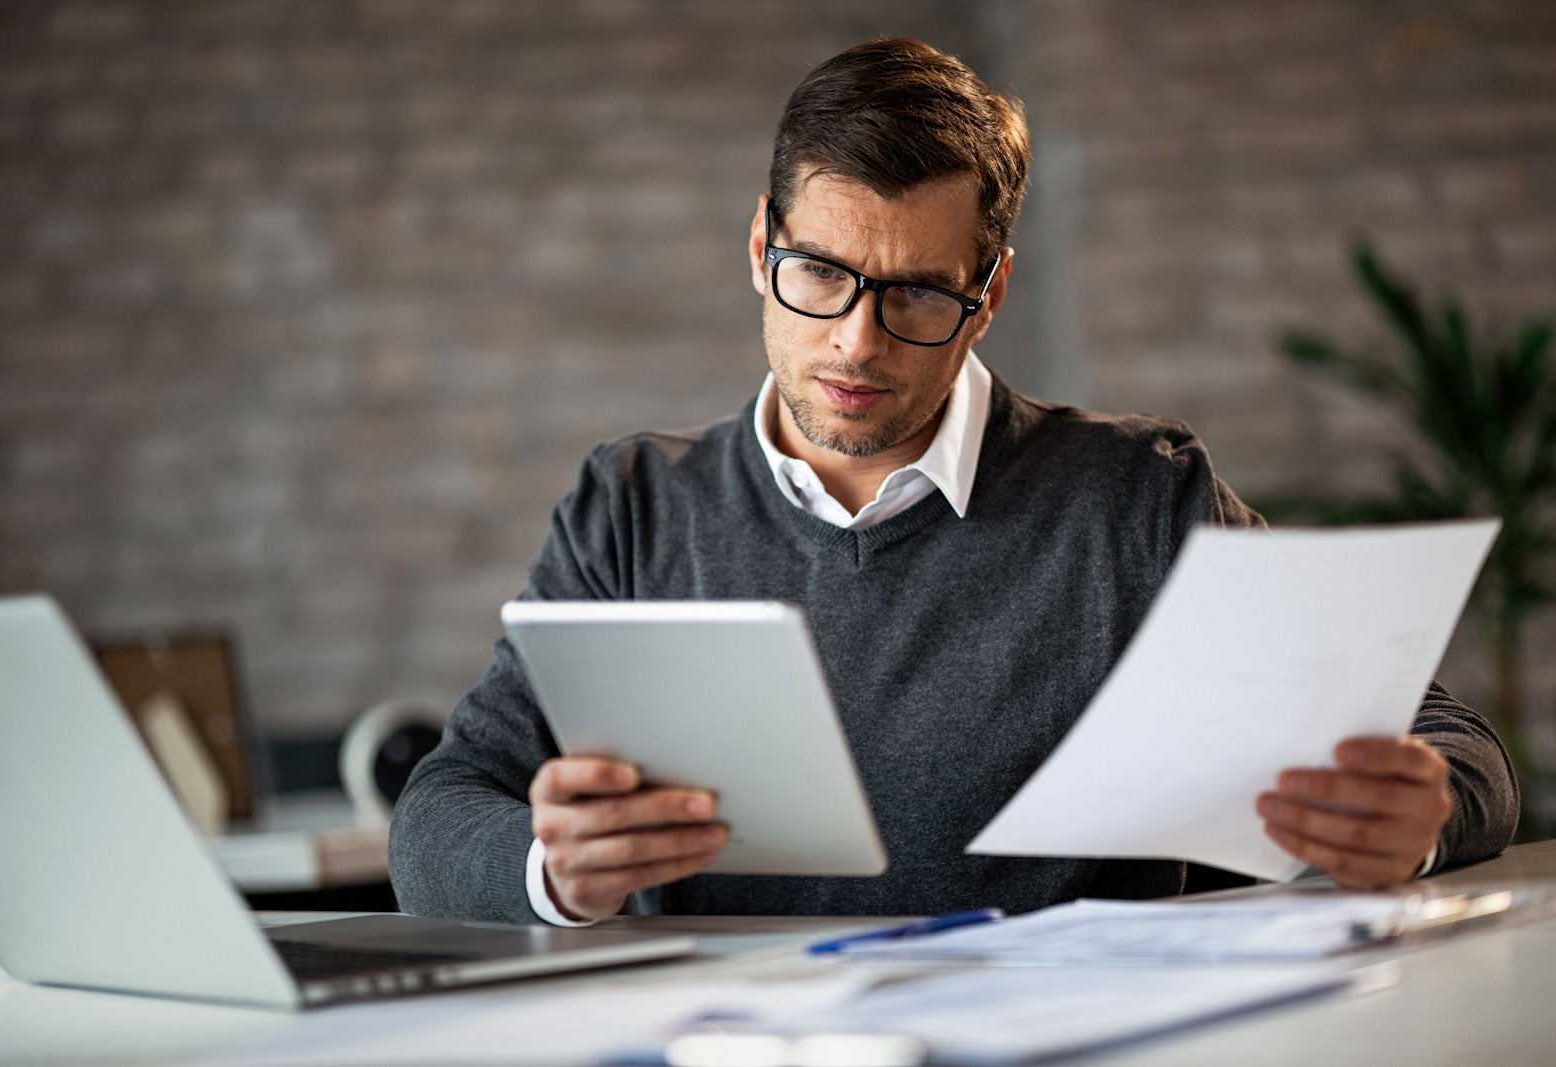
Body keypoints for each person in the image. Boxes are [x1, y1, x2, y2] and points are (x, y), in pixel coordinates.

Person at [389, 38, 1518, 925]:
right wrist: (552, 864)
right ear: (756, 248)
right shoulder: (631, 505)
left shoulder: (1134, 496)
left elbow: (1451, 741)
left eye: (919, 295)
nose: (857, 344)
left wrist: (1413, 814)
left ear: (993, 292)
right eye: (817, 274)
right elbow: (438, 817)